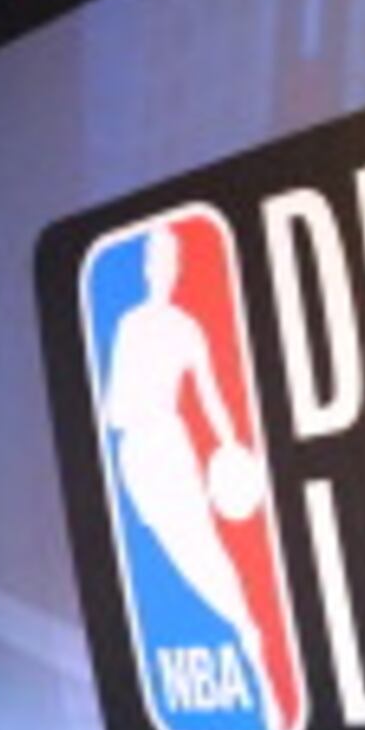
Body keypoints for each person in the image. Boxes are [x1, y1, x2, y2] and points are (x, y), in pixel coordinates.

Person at [102, 224, 269, 697]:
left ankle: (250, 639)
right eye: (155, 258)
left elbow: (210, 395)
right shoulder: (130, 324)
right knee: (176, 557)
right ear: (147, 266)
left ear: (176, 267)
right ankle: (242, 635)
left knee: (203, 548)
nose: (162, 267)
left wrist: (232, 447)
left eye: (169, 259)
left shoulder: (186, 328)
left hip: (166, 447)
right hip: (134, 455)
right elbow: (113, 403)